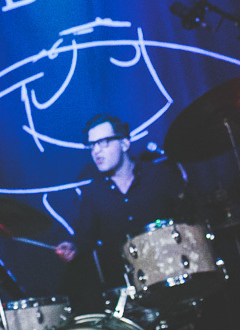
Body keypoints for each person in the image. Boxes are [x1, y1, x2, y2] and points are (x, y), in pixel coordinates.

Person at [56, 114, 189, 313]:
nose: (96, 151)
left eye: (103, 142)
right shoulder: (93, 194)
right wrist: (72, 247)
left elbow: (189, 219)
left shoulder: (159, 175)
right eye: (92, 146)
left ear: (125, 143)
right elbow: (85, 238)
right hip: (129, 295)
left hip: (175, 280)